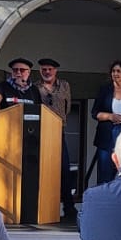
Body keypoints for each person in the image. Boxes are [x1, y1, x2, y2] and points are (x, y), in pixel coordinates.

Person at [35, 58, 74, 208]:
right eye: (44, 69)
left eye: (50, 69)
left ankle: (68, 207)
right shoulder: (35, 87)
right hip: (41, 132)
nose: (47, 72)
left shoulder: (64, 85)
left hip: (58, 131)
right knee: (43, 169)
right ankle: (44, 207)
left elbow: (68, 107)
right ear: (40, 71)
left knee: (64, 168)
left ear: (55, 70)